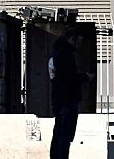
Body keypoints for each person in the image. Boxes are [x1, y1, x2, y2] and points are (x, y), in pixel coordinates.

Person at [49, 28, 94, 159]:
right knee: (64, 136)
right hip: (67, 100)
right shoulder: (64, 54)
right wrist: (85, 76)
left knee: (59, 134)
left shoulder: (56, 53)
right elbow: (69, 78)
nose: (78, 46)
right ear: (71, 39)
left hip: (60, 99)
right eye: (78, 42)